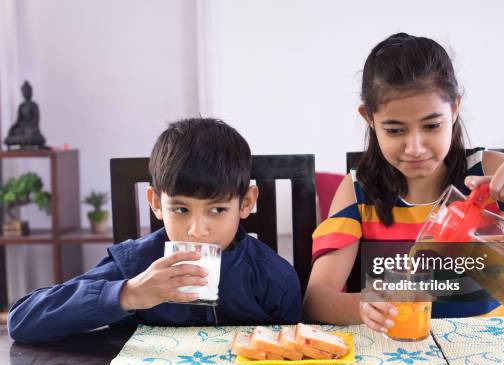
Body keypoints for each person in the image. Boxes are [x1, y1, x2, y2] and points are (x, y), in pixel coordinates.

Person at [303, 33, 504, 333]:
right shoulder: (359, 191)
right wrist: (363, 306)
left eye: (432, 126)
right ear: (369, 118)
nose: (415, 147)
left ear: (455, 108)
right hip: (400, 352)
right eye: (395, 131)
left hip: (490, 343)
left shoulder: (490, 172)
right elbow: (316, 299)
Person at [9, 118, 302, 342]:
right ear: (156, 203)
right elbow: (21, 320)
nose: (197, 231)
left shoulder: (273, 278)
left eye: (217, 210)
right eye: (180, 209)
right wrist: (127, 294)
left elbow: (292, 357)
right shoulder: (135, 265)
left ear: (246, 203)